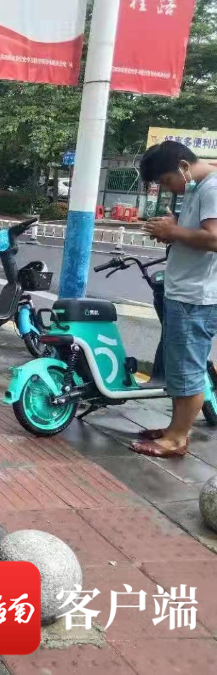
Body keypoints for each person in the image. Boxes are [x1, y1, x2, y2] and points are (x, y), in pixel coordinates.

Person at [134, 141, 217, 457]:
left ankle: (177, 440)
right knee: (179, 369)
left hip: (196, 298)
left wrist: (174, 232)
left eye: (167, 181)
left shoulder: (212, 188)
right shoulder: (198, 188)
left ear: (183, 166)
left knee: (188, 372)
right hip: (183, 292)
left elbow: (214, 238)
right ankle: (174, 429)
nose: (170, 189)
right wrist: (172, 230)